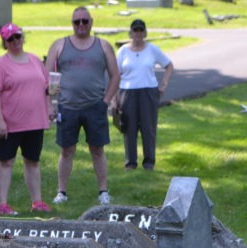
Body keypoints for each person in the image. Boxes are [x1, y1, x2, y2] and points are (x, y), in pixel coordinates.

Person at [45, 6, 120, 205]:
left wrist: (106, 100)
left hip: (95, 106)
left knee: (97, 150)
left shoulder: (103, 46)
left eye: (84, 21)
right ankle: (61, 192)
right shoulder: (60, 45)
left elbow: (115, 76)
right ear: (72, 23)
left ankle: (103, 191)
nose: (80, 25)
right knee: (66, 150)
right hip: (67, 107)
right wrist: (50, 105)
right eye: (76, 22)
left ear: (91, 22)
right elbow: (48, 77)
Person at [0, 23, 51, 215]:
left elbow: (47, 87)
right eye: (10, 39)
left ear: (23, 38)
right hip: (9, 124)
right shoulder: (0, 65)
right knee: (6, 162)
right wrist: (0, 119)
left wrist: (50, 105)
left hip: (34, 121)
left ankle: (37, 201)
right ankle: (3, 204)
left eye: (17, 37)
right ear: (5, 43)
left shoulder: (34, 61)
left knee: (32, 161)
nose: (15, 41)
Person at [115, 19, 173, 171]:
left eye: (141, 30)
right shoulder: (123, 51)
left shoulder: (152, 49)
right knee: (129, 128)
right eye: (135, 30)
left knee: (148, 127)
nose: (138, 34)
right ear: (131, 33)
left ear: (145, 33)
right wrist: (114, 99)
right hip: (127, 92)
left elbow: (168, 65)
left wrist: (164, 84)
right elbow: (115, 75)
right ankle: (130, 162)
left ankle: (149, 162)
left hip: (148, 91)